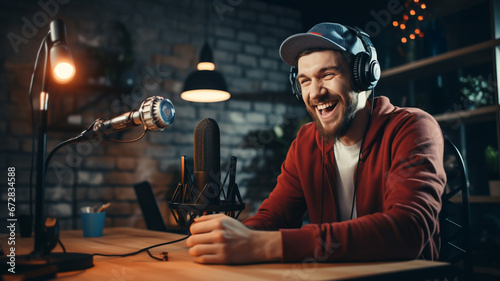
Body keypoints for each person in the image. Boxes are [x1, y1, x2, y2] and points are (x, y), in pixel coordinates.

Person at [186, 22, 446, 264]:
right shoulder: (307, 141)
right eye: (305, 81)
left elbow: (408, 230)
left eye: (328, 74)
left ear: (363, 75)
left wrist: (267, 246)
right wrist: (235, 236)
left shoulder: (412, 128)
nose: (315, 92)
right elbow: (276, 216)